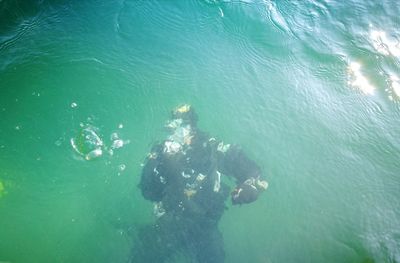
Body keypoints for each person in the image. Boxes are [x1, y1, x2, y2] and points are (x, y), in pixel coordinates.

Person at [131, 104, 268, 263]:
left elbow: (239, 160)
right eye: (177, 126)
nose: (183, 135)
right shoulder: (161, 156)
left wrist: (250, 183)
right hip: (173, 223)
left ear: (193, 126)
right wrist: (163, 165)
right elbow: (149, 193)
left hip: (206, 222)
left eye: (186, 127)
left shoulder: (208, 147)